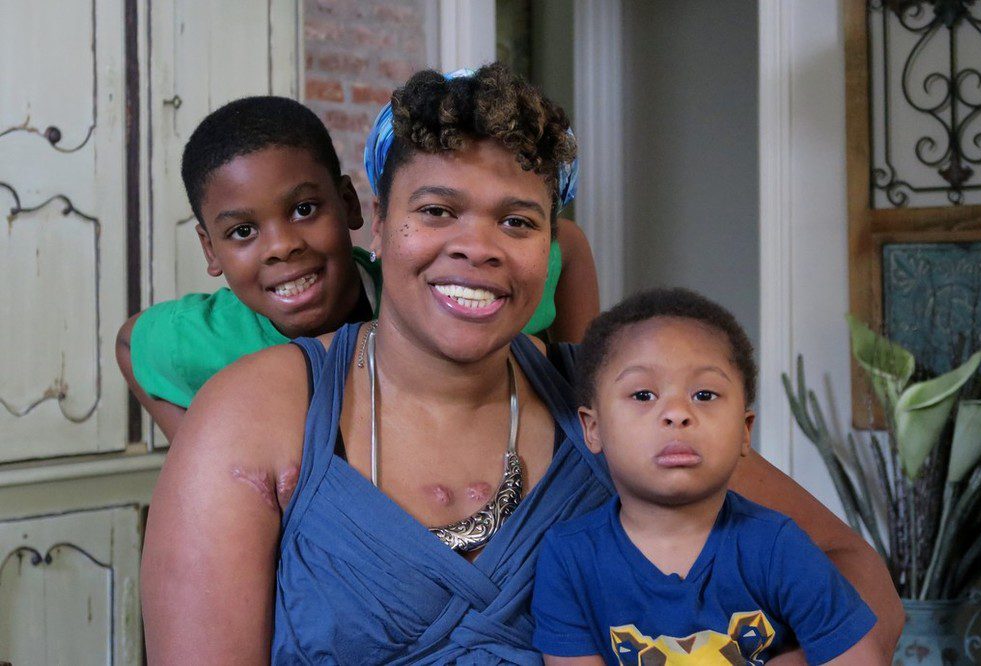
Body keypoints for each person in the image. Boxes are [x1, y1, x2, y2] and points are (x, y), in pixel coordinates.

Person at [139, 64, 902, 664]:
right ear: (377, 221)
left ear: (548, 244)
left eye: (516, 220)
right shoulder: (257, 413)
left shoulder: (614, 402)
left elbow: (851, 568)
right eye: (436, 211)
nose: (478, 247)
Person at [116, 97, 598, 442]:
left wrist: (580, 393)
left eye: (304, 210)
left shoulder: (452, 298)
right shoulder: (207, 336)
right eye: (242, 232)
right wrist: (196, 450)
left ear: (351, 206)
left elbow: (568, 245)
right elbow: (129, 342)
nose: (281, 247)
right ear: (211, 250)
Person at [531, 288, 881, 665]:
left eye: (704, 394)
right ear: (593, 428)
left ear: (745, 431)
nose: (677, 413)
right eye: (644, 395)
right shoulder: (569, 558)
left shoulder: (779, 548)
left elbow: (860, 658)